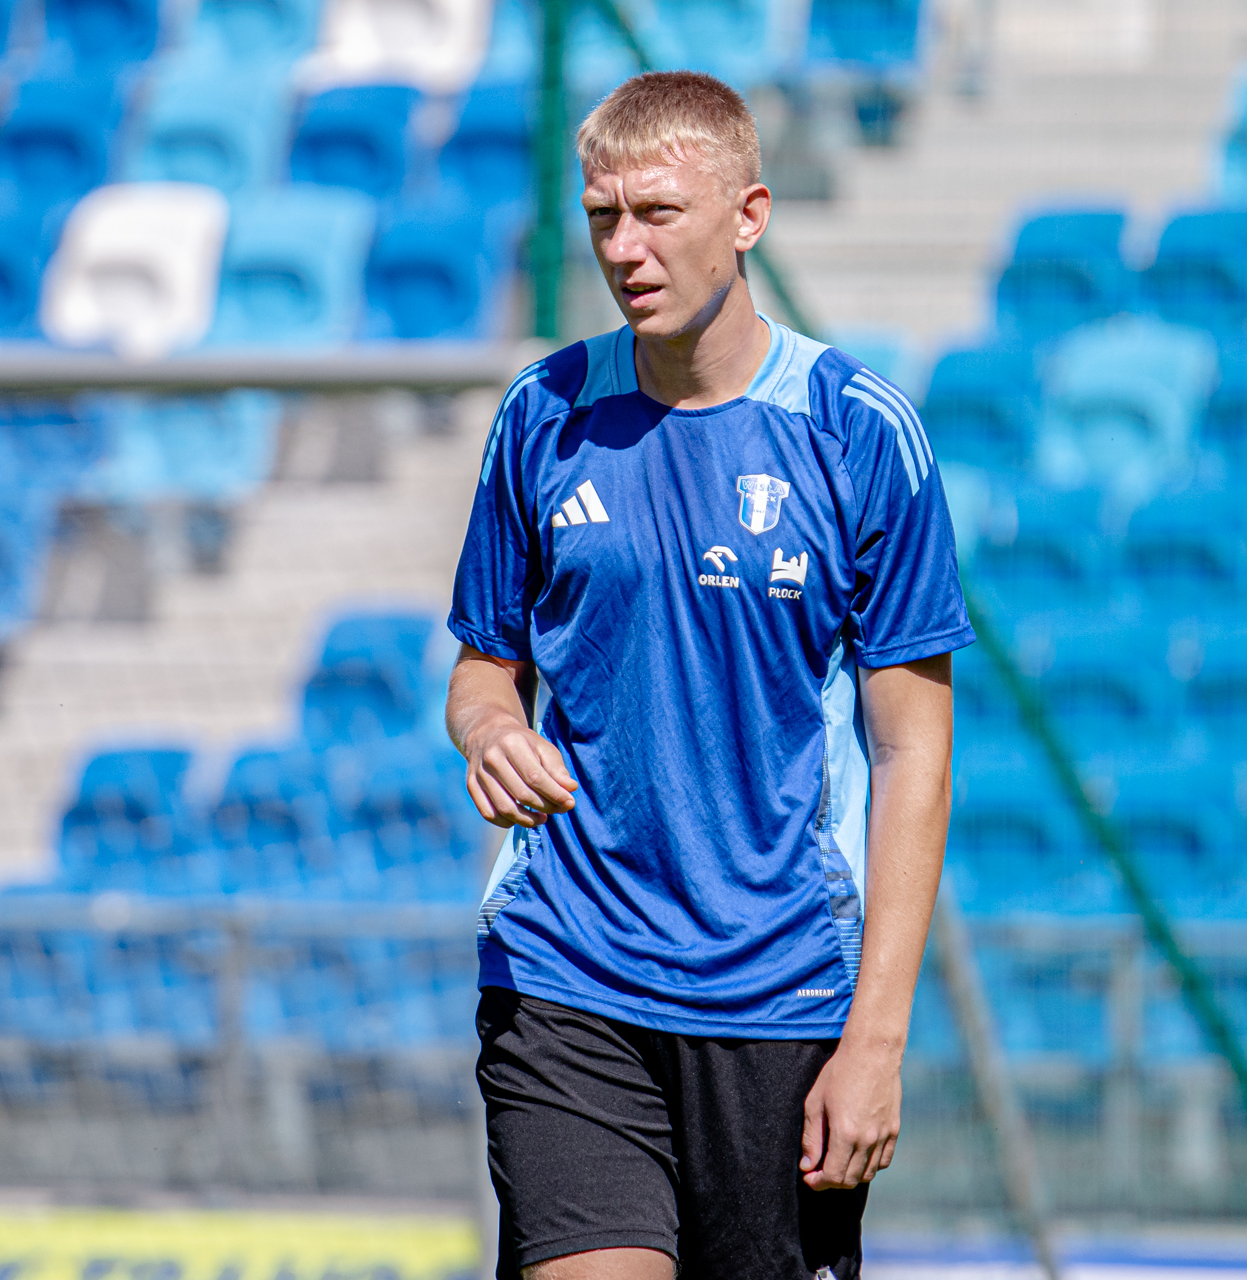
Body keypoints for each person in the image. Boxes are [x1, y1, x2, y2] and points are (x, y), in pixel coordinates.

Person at [445, 69, 971, 1280]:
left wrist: (877, 1040)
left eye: (658, 214)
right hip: (566, 966)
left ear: (749, 215)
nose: (623, 249)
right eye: (602, 217)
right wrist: (489, 731)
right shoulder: (541, 414)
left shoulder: (860, 431)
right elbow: (482, 670)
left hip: (783, 992)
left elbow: (915, 751)